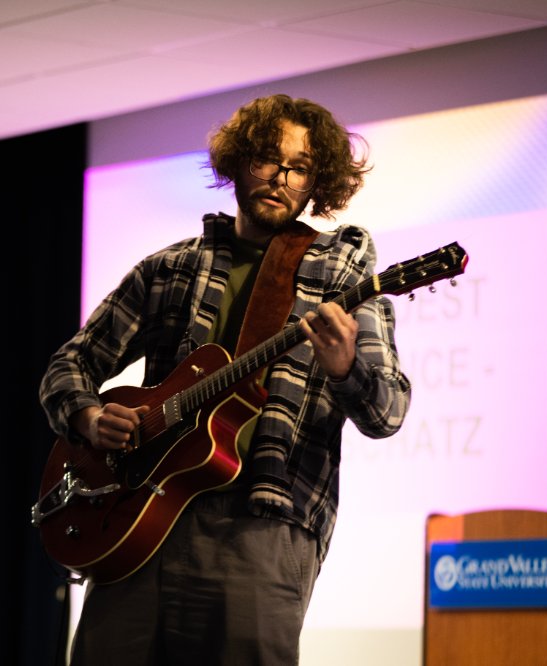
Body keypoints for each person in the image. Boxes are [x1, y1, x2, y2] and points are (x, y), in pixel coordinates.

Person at [38, 94, 412, 665]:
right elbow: (69, 366)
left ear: (318, 183)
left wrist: (344, 367)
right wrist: (90, 418)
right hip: (143, 517)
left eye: (301, 168)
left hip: (261, 524)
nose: (281, 177)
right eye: (268, 158)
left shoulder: (342, 271)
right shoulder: (170, 268)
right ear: (239, 162)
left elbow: (387, 412)